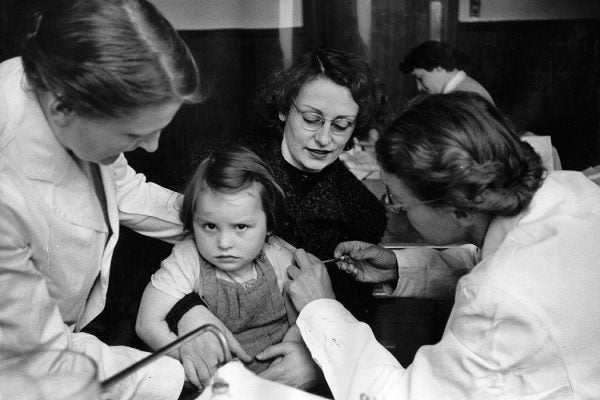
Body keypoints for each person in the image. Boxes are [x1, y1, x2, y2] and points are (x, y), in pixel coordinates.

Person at [286, 92, 600, 399]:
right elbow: (504, 261)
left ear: (461, 211)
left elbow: (399, 396)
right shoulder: (570, 188)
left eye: (402, 201)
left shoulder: (497, 300)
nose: (398, 209)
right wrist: (400, 267)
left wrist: (322, 309)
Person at [0, 1, 201, 399]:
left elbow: (123, 189)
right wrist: (184, 379)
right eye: (132, 135)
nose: (152, 146)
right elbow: (40, 361)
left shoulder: (63, 90)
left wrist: (218, 219)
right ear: (62, 108)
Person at [171, 49, 389, 391]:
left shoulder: (361, 211)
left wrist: (316, 358)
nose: (324, 139)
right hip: (197, 359)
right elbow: (151, 258)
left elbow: (355, 311)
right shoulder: (215, 164)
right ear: (284, 108)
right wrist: (185, 311)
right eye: (312, 119)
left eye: (341, 125)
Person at [136, 146, 303, 386]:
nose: (224, 244)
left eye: (241, 227)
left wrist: (283, 363)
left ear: (268, 225)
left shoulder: (279, 257)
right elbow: (147, 323)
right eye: (210, 227)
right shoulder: (187, 259)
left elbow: (300, 322)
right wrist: (185, 356)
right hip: (214, 384)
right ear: (193, 221)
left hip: (274, 381)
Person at [399, 40, 494, 104]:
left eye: (420, 78)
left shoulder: (463, 95)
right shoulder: (463, 86)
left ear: (438, 67)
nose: (419, 87)